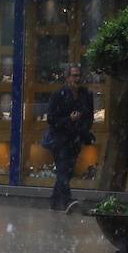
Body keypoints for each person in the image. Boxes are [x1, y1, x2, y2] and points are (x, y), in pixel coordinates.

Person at [44, 65, 95, 211]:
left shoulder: (85, 94)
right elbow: (51, 119)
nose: (77, 79)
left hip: (76, 138)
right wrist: (69, 120)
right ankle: (67, 201)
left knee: (68, 171)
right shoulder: (58, 95)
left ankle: (54, 201)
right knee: (62, 169)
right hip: (60, 139)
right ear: (67, 78)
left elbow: (89, 115)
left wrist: (84, 130)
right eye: (74, 76)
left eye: (79, 76)